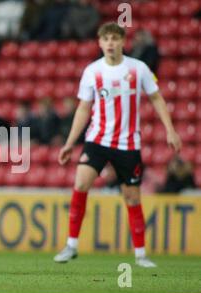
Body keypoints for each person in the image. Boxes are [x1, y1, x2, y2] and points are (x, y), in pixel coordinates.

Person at [53, 22, 181, 268]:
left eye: (115, 38)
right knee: (80, 183)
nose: (110, 43)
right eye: (106, 39)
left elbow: (156, 97)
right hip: (97, 140)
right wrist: (70, 143)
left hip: (127, 144)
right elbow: (83, 108)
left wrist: (171, 130)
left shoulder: (138, 68)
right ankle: (71, 245)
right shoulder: (92, 71)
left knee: (132, 198)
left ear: (123, 41)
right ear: (100, 43)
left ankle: (141, 255)